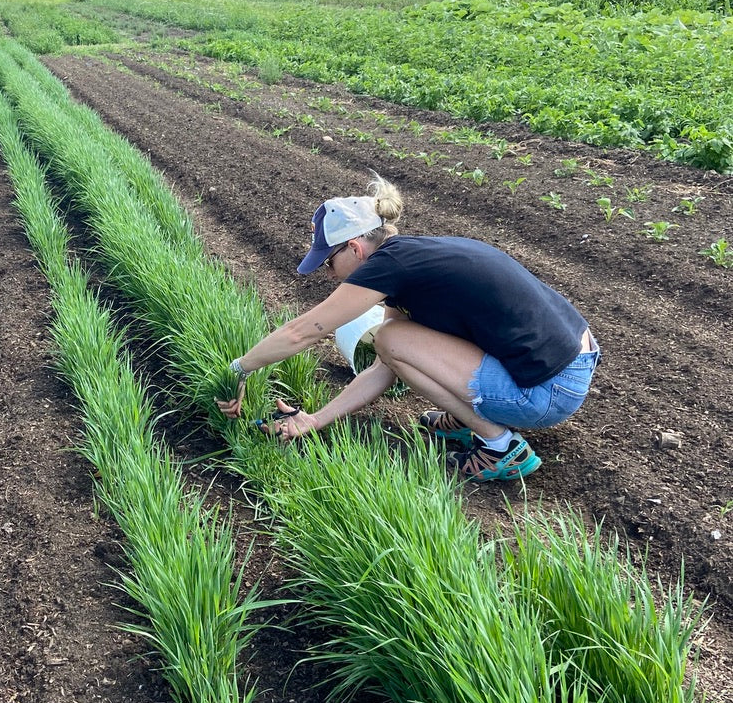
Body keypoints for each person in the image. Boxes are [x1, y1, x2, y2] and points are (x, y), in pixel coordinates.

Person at [217, 174, 601, 482]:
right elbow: (387, 364)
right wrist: (315, 420)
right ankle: (471, 417)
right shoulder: (414, 259)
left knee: (390, 338)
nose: (329, 275)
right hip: (567, 363)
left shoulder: (391, 267)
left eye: (328, 264)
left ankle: (501, 447)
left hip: (548, 389)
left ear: (355, 248)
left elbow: (304, 331)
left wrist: (239, 369)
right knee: (393, 341)